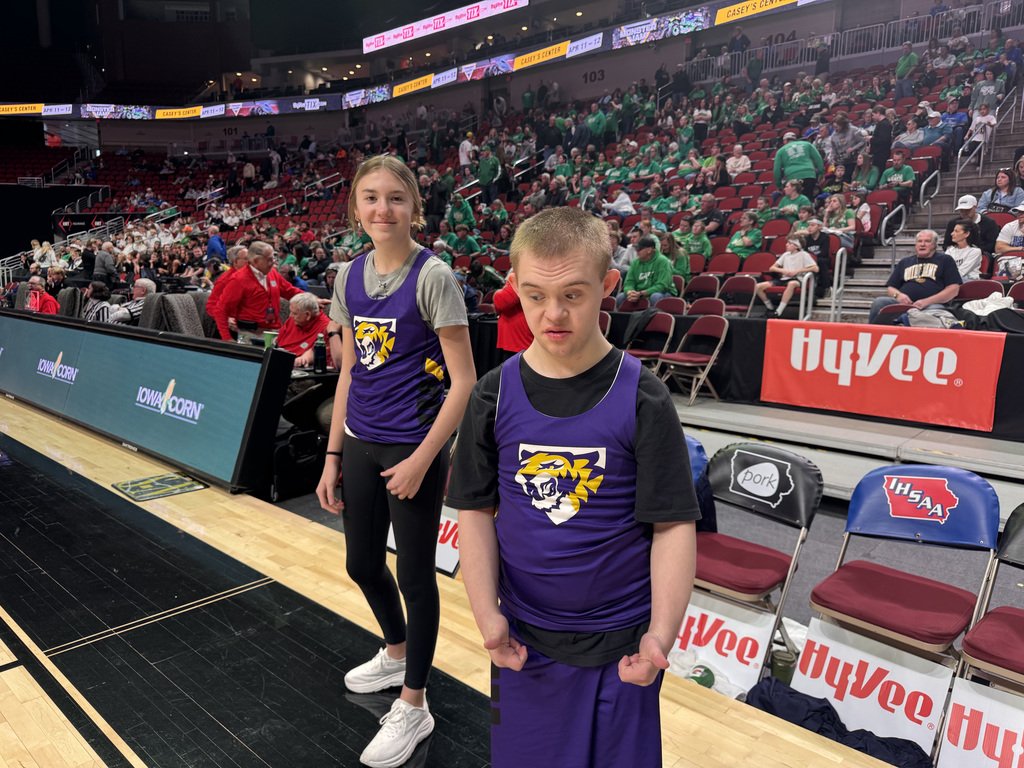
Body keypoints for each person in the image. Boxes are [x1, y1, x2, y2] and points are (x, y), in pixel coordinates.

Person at [447, 206, 699, 768]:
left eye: (574, 295)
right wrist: (487, 614)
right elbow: (473, 513)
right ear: (514, 288)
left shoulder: (645, 396)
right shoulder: (492, 394)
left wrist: (661, 633)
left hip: (624, 646)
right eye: (535, 296)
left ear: (609, 285)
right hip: (523, 642)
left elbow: (673, 524)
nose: (553, 314)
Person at [315, 155, 475, 768]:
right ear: (356, 206)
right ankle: (397, 650)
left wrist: (425, 460)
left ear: (415, 205)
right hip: (358, 439)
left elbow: (462, 382)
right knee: (360, 563)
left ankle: (414, 703)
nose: (383, 210)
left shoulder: (433, 277)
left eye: (396, 199)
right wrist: (332, 454)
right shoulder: (347, 275)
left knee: (414, 575)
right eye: (371, 198)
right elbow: (352, 368)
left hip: (415, 448)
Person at [212, 241, 303, 342]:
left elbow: (289, 291)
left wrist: (311, 299)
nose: (274, 262)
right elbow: (221, 309)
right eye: (269, 259)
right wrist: (227, 338)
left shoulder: (272, 272)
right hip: (251, 335)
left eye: (273, 258)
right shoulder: (238, 279)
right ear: (256, 261)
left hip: (275, 331)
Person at [868, 229, 962, 322]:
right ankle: (871, 333)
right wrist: (899, 295)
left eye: (927, 241)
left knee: (932, 312)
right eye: (919, 241)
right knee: (879, 302)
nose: (922, 244)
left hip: (932, 305)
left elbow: (953, 290)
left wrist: (927, 301)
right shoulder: (905, 262)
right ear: (916, 245)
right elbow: (890, 288)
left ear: (934, 245)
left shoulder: (945, 260)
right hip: (904, 303)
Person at [756, 235, 819, 316]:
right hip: (783, 279)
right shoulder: (786, 255)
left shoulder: (804, 254)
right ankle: (770, 307)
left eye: (789, 243)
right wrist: (783, 271)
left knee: (791, 284)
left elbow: (815, 268)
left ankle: (779, 311)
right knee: (758, 286)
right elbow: (772, 268)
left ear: (796, 246)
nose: (786, 245)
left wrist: (797, 271)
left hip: (798, 279)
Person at [276, 292, 333, 368]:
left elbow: (314, 354)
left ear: (308, 315)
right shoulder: (291, 320)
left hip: (300, 367)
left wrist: (302, 359)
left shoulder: (326, 327)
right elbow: (277, 343)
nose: (290, 316)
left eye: (294, 313)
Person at [616, 236, 674, 307]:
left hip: (662, 293)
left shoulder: (663, 261)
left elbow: (662, 286)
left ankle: (656, 317)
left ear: (649, 250)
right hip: (639, 293)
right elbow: (629, 283)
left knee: (655, 296)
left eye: (639, 249)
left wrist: (641, 294)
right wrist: (630, 292)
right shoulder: (635, 262)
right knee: (621, 297)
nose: (637, 251)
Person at [773, 132, 824, 202]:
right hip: (809, 175)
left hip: (792, 178)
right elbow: (818, 158)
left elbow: (776, 170)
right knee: (808, 200)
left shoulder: (780, 151)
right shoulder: (807, 144)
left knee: (795, 201)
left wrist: (779, 186)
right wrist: (821, 173)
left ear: (785, 140)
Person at [493, 270, 533, 356]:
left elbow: (501, 302)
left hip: (519, 341)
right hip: (515, 339)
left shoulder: (522, 274)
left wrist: (497, 293)